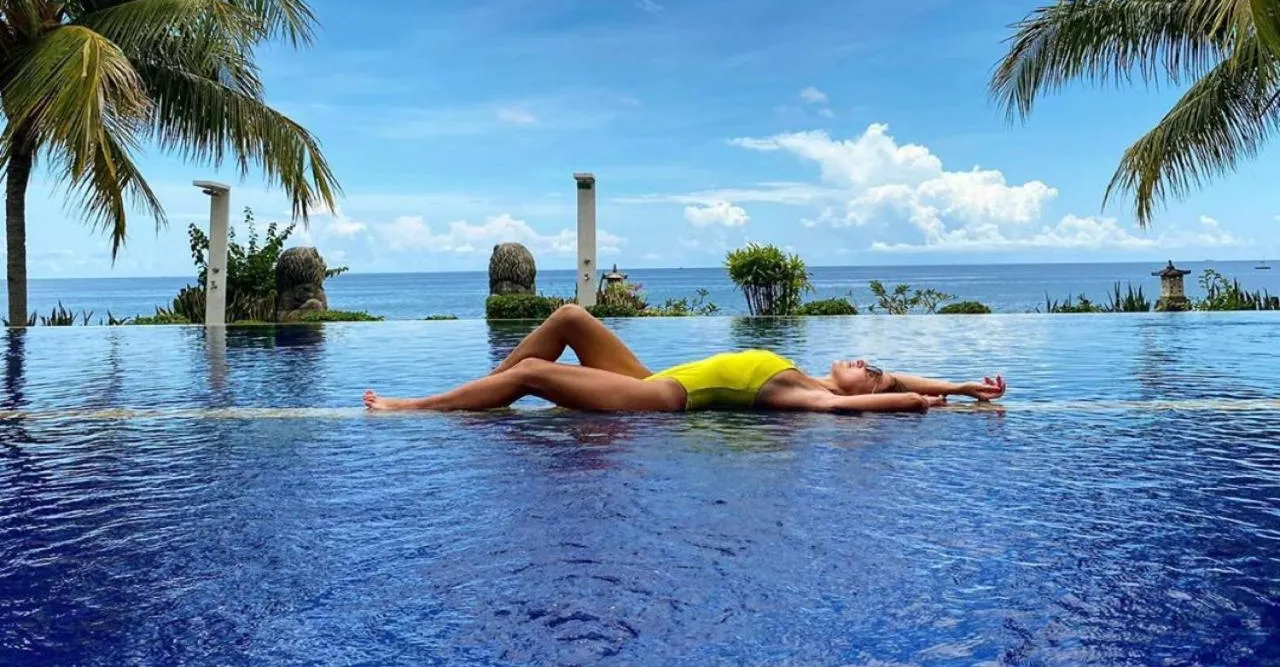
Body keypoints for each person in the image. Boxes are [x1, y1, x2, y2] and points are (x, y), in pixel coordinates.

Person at [364, 304, 1006, 414]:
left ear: (856, 392)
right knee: (569, 318)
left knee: (533, 375)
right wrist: (964, 388)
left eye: (867, 370)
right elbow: (895, 379)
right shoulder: (817, 378)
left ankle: (418, 406)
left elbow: (876, 401)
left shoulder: (809, 398)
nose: (866, 362)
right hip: (653, 379)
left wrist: (917, 404)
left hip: (660, 401)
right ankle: (483, 393)